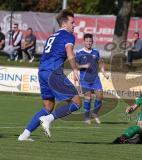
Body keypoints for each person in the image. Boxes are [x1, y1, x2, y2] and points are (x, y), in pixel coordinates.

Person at [18, 9, 81, 141]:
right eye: (72, 22)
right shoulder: (68, 35)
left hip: (42, 71)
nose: (74, 25)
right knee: (76, 102)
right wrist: (75, 69)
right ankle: (48, 119)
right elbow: (70, 52)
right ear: (64, 24)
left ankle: (24, 135)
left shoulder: (52, 36)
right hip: (53, 72)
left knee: (48, 106)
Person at [75, 33, 109, 124]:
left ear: (92, 42)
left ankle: (94, 113)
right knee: (88, 98)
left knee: (100, 96)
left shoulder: (96, 52)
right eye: (87, 41)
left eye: (90, 41)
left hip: (95, 79)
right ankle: (86, 117)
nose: (88, 43)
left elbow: (101, 63)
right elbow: (76, 66)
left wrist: (104, 73)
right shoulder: (79, 52)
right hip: (85, 79)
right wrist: (84, 66)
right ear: (84, 42)